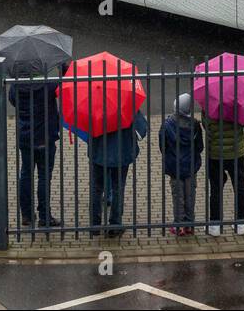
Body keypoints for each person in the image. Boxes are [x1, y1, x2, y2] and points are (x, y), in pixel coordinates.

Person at [8, 68, 63, 228]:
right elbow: (65, 87)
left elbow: (13, 101)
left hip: (26, 137)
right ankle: (45, 217)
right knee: (44, 177)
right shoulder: (49, 85)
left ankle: (26, 215)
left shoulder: (15, 87)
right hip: (46, 136)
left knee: (25, 174)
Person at [87, 108, 149, 238]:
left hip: (99, 152)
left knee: (96, 188)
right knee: (118, 188)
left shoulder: (94, 103)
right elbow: (142, 129)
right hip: (121, 152)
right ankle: (115, 225)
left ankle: (95, 225)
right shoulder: (126, 102)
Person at [158, 94, 204, 235]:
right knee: (190, 194)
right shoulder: (195, 125)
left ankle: (179, 225)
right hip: (190, 166)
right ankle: (190, 224)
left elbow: (162, 146)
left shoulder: (167, 125)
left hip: (175, 166)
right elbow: (200, 147)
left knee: (177, 195)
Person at [202, 107, 244, 236]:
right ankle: (241, 223)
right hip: (237, 152)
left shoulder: (208, 104)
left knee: (216, 188)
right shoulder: (239, 104)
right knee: (240, 186)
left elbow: (206, 126)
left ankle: (215, 225)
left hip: (216, 154)